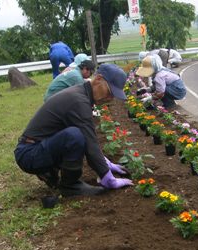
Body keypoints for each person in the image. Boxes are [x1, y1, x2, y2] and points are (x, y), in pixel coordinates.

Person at [14, 64, 133, 197]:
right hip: (29, 155)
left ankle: (49, 171)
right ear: (98, 79)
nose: (110, 98)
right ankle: (70, 186)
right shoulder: (79, 101)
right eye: (110, 92)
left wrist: (107, 164)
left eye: (113, 96)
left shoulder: (80, 93)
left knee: (77, 134)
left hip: (34, 148)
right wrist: (108, 179)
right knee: (75, 136)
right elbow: (90, 143)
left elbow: (89, 139)